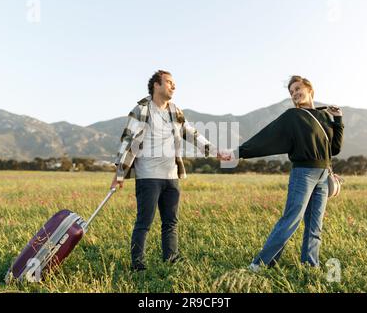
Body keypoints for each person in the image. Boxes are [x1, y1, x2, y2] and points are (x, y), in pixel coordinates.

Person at [111, 70, 228, 271]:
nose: (173, 86)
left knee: (171, 222)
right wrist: (119, 173)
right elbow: (128, 140)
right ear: (156, 85)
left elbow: (192, 134)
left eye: (174, 83)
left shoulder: (175, 110)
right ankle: (137, 264)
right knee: (144, 222)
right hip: (148, 176)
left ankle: (171, 259)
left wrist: (214, 151)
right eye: (169, 82)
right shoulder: (142, 109)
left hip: (171, 176)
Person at [232, 75, 344, 270]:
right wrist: (238, 152)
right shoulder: (293, 116)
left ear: (310, 90)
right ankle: (260, 264)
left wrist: (338, 120)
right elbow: (266, 137)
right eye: (292, 92)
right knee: (291, 219)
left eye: (298, 89)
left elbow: (334, 149)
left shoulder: (325, 116)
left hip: (323, 175)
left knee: (315, 224)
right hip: (303, 173)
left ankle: (310, 264)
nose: (295, 94)